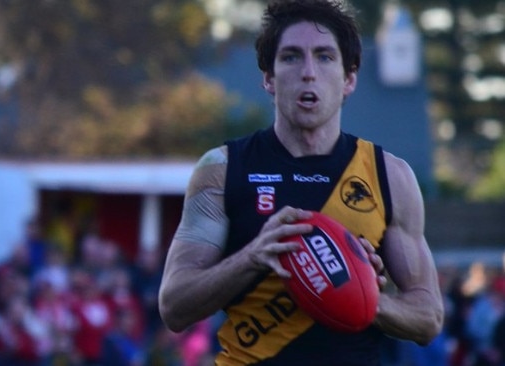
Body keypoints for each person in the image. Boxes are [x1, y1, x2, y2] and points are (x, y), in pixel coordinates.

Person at [158, 1, 444, 365]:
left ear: (349, 79)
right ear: (269, 79)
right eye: (291, 57)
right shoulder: (221, 170)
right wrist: (253, 256)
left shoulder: (389, 175)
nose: (308, 72)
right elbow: (174, 306)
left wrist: (356, 295)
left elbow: (429, 317)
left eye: (324, 57)